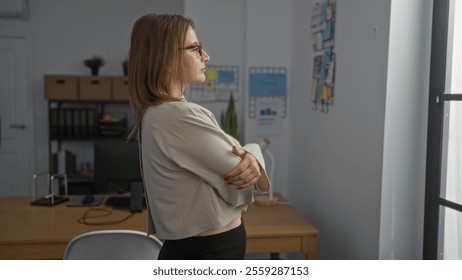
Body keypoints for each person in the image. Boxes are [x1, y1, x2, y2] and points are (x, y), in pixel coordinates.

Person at [127, 14, 271, 260]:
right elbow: (240, 180)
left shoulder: (157, 113)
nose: (206, 56)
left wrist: (251, 154)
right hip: (209, 250)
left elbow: (239, 162)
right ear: (166, 59)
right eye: (195, 48)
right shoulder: (179, 116)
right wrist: (253, 153)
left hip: (196, 248)